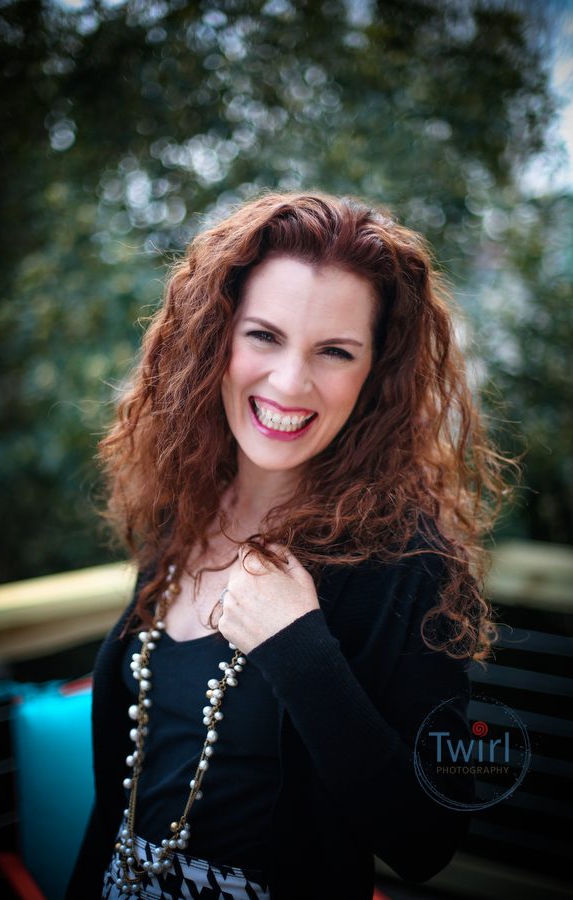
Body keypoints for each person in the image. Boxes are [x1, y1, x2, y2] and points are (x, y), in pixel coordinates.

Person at [66, 191, 507, 900]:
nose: (290, 381)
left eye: (335, 351)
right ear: (216, 337)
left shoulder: (408, 564)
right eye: (263, 336)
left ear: (375, 375)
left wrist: (297, 646)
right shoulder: (184, 510)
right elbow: (122, 803)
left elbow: (429, 838)